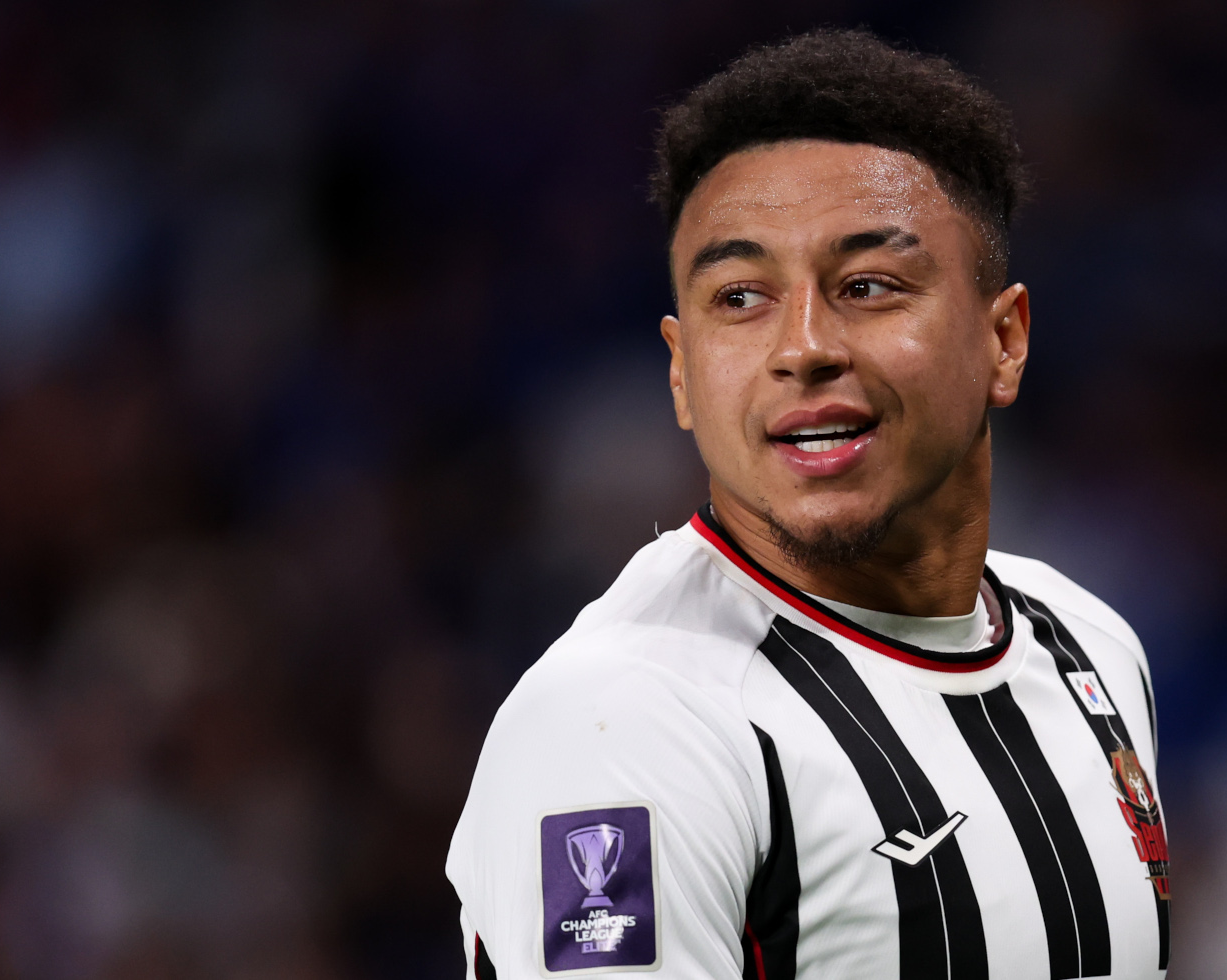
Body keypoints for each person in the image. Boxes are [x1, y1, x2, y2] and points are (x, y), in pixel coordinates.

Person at [447, 29, 1169, 980]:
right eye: (741, 297)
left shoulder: (1090, 647)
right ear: (680, 374)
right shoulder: (626, 722)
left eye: (868, 285)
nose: (804, 346)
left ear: (1005, 341)